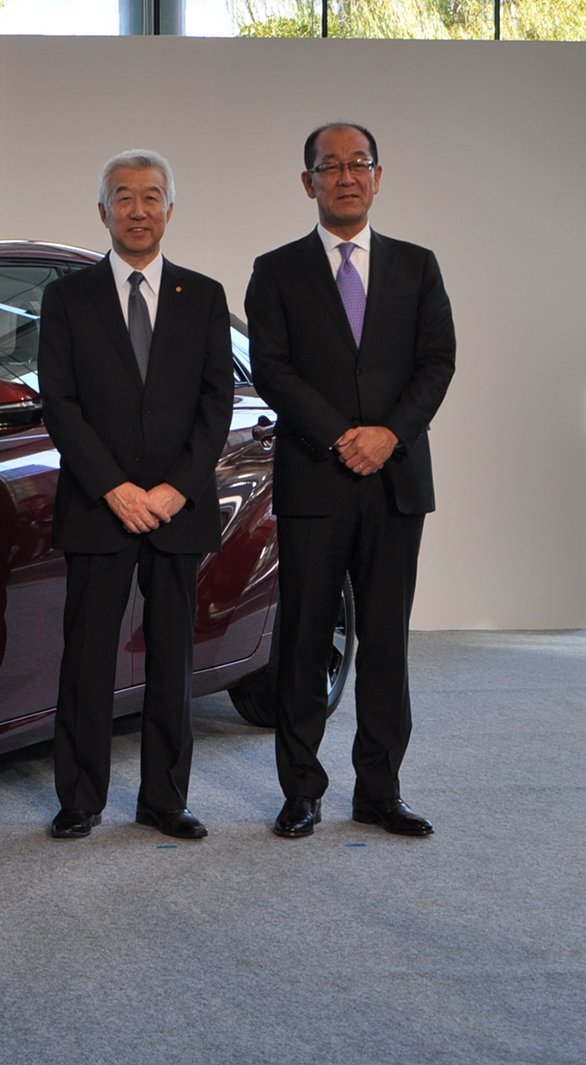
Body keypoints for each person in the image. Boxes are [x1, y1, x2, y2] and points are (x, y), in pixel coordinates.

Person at [243, 123, 455, 840]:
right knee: (304, 641)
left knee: (387, 643)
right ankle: (301, 790)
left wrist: (389, 435)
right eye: (328, 165)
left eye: (357, 163)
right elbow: (272, 369)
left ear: (378, 175)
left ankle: (380, 791)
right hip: (316, 478)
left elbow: (438, 362)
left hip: (396, 481)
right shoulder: (275, 271)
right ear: (307, 181)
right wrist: (341, 436)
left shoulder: (418, 266)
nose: (344, 175)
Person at [38, 149, 236, 840]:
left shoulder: (203, 297)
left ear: (170, 210)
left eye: (152, 196)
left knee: (173, 659)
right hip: (99, 506)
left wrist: (177, 489)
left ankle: (164, 800)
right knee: (87, 659)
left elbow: (216, 405)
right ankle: (80, 799)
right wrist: (115, 487)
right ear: (103, 211)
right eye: (123, 196)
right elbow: (60, 404)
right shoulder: (67, 298)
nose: (138, 209)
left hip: (178, 509)